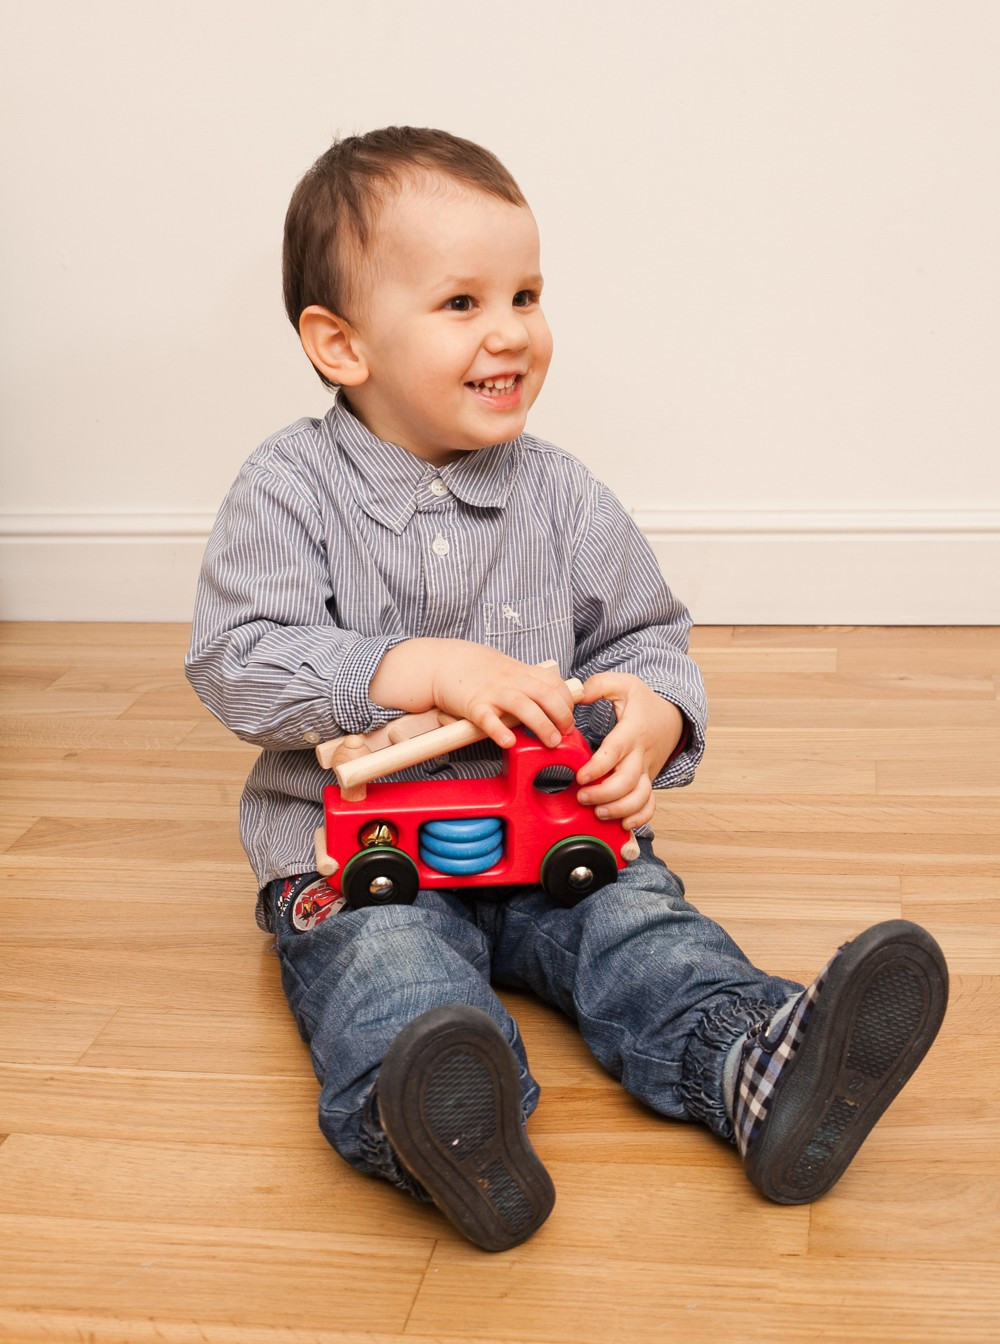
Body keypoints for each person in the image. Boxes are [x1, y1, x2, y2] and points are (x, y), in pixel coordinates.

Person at [185, 126, 948, 1253]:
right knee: (388, 965)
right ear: (340, 344)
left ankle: (755, 1064)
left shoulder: (565, 497)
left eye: (528, 293)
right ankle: (440, 1124)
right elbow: (235, 659)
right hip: (365, 854)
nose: (512, 332)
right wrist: (411, 667)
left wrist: (655, 713)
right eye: (461, 303)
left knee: (642, 926)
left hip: (549, 834)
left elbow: (649, 636)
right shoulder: (287, 490)